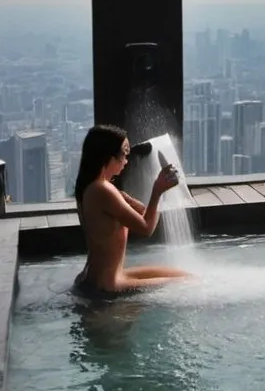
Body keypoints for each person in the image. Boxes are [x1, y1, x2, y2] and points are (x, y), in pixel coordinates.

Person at [72, 124, 191, 298]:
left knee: (185, 276)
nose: (126, 161)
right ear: (108, 156)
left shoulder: (92, 187)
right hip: (108, 286)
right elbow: (147, 228)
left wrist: (157, 188)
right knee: (188, 283)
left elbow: (144, 213)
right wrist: (158, 190)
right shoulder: (103, 191)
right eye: (124, 154)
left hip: (98, 279)